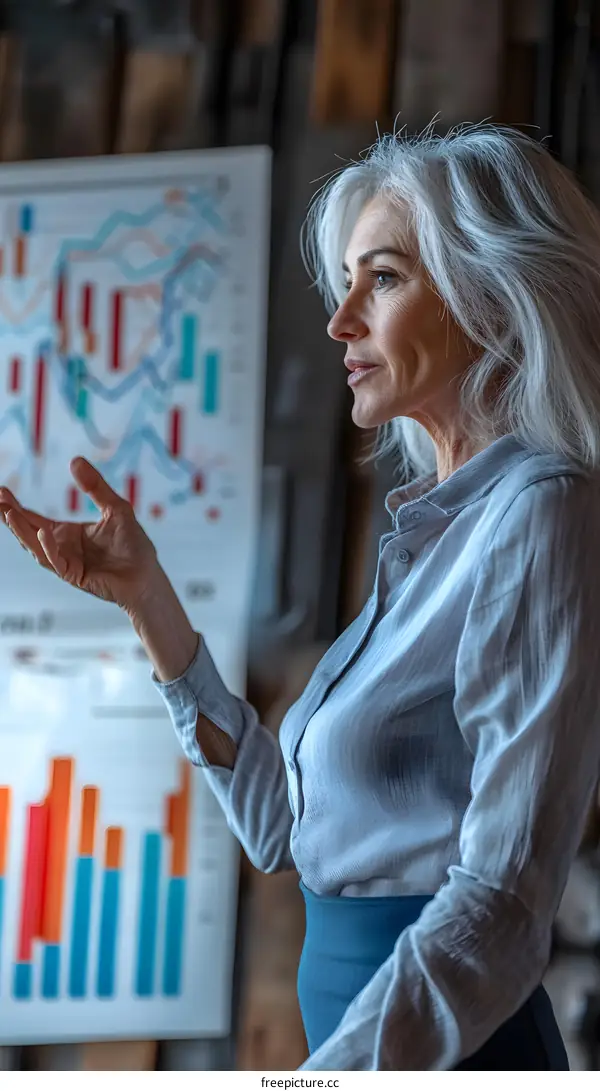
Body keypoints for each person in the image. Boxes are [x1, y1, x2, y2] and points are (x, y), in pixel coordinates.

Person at [2, 121, 600, 1071]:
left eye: (386, 277)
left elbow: (505, 903)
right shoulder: (431, 535)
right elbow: (283, 831)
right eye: (348, 282)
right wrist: (146, 596)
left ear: (489, 290)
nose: (341, 321)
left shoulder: (538, 511)